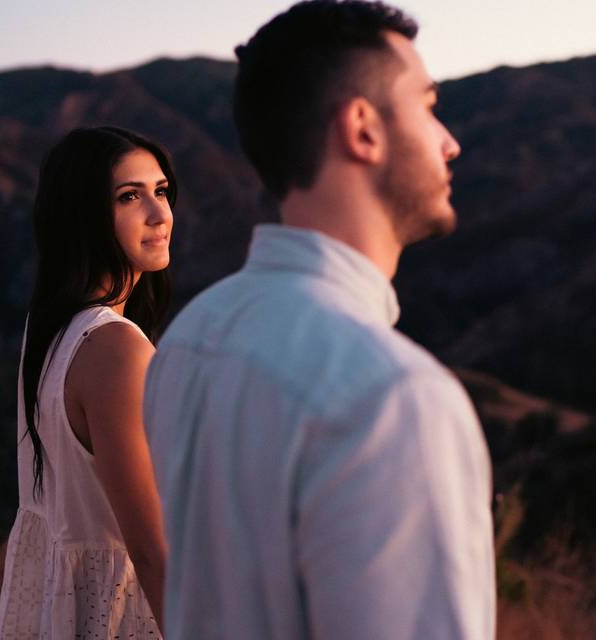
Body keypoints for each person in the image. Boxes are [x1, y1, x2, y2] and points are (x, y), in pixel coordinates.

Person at [143, 1, 495, 638]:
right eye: (428, 105)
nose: (451, 142)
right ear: (363, 129)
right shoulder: (393, 398)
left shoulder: (192, 338)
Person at [0, 126, 174, 639]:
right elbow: (153, 549)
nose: (160, 214)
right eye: (129, 197)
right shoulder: (116, 349)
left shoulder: (52, 327)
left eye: (160, 191)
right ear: (84, 216)